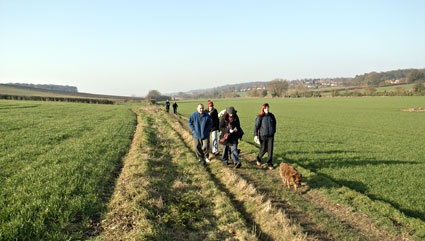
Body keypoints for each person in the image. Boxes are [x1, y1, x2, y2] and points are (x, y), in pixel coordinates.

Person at [254, 103, 276, 170]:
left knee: (270, 149)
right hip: (263, 135)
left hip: (271, 135)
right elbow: (256, 126)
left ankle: (269, 163)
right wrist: (255, 135)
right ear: (263, 109)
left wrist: (273, 131)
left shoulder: (272, 116)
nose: (267, 109)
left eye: (268, 108)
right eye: (266, 108)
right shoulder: (260, 117)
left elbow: (275, 124)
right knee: (263, 149)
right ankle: (258, 158)